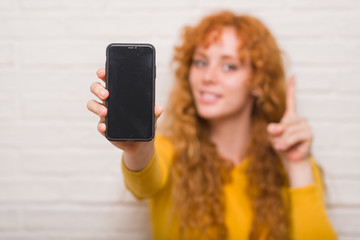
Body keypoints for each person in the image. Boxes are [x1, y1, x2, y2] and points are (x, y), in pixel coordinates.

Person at [87, 11, 337, 240]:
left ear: (259, 81)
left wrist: (297, 166)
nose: (208, 77)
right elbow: (144, 183)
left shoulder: (292, 161)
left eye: (229, 66)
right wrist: (137, 148)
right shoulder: (169, 151)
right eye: (201, 62)